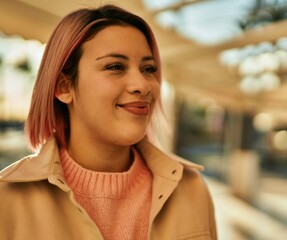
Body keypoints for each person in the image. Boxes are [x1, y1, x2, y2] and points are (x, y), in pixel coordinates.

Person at [0, 4, 217, 240]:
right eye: (115, 66)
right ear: (64, 87)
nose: (143, 85)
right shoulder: (6, 200)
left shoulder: (192, 188)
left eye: (148, 69)